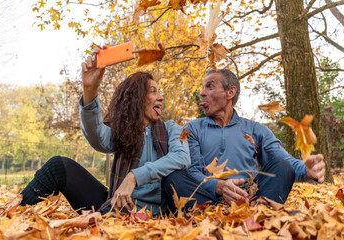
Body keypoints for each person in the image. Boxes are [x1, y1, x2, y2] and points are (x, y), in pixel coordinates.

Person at [20, 53, 191, 216]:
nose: (160, 97)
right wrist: (89, 90)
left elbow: (182, 157)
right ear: (137, 98)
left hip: (153, 213)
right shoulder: (124, 130)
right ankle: (11, 218)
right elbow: (97, 136)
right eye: (153, 91)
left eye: (159, 92)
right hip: (115, 205)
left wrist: (134, 177)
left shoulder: (174, 129)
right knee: (58, 166)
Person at [162, 69, 325, 212]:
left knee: (283, 166)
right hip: (206, 199)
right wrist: (219, 187)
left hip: (250, 199)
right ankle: (211, 221)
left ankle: (259, 217)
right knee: (174, 178)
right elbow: (192, 171)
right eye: (203, 87)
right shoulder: (192, 128)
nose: (202, 93)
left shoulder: (256, 129)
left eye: (209, 86)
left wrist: (306, 171)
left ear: (230, 92)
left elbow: (283, 159)